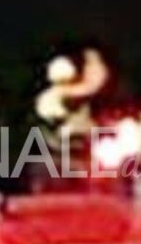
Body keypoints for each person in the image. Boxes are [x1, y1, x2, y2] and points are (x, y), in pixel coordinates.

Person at [33, 47, 109, 183]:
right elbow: (92, 86)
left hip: (78, 154)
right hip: (59, 156)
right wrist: (94, 61)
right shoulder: (54, 97)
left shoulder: (64, 97)